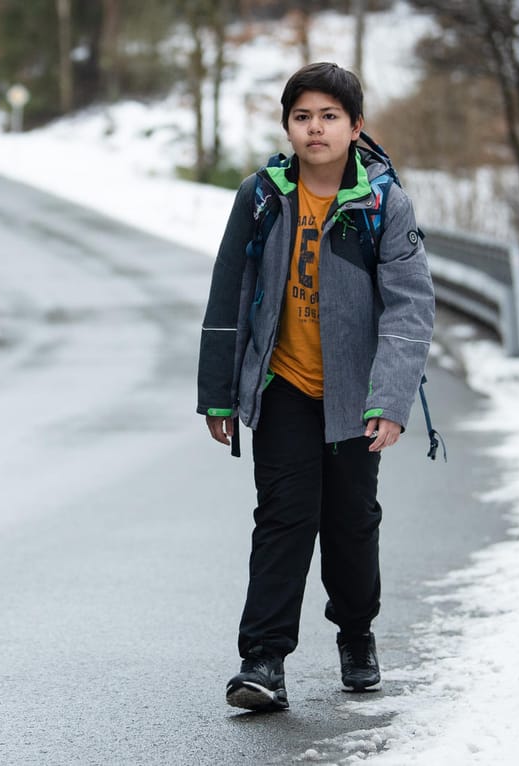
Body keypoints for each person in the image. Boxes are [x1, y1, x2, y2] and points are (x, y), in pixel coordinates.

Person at [196, 62, 435, 712]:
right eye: (303, 116)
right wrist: (220, 392)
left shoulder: (382, 201)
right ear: (287, 126)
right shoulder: (263, 196)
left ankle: (356, 634)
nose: (316, 128)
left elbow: (410, 308)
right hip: (284, 388)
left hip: (356, 397)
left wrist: (390, 399)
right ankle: (263, 660)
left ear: (356, 127)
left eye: (330, 116)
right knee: (282, 522)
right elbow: (228, 293)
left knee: (351, 525)